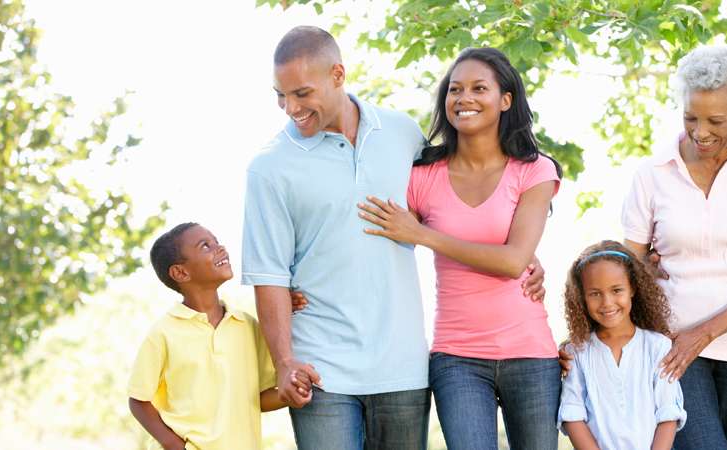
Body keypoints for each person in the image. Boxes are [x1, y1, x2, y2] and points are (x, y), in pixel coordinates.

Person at [242, 27, 546, 450]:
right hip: (321, 366)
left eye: (301, 93)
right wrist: (284, 360)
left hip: (402, 367)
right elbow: (268, 273)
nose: (290, 108)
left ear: (338, 74)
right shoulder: (270, 167)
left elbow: (451, 209)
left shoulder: (401, 133)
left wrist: (523, 255)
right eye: (281, 95)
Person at [357, 47, 562, 449]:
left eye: (478, 88)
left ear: (506, 100)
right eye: (455, 89)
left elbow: (513, 260)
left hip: (531, 353)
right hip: (457, 357)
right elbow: (372, 235)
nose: (463, 98)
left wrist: (425, 235)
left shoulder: (534, 169)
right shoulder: (422, 175)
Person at [619, 44, 727, 449]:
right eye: (690, 117)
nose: (700, 132)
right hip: (672, 351)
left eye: (716, 120)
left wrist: (704, 333)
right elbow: (627, 266)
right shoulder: (652, 173)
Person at [129, 223, 290, 450]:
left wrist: (290, 395)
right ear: (181, 272)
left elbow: (259, 397)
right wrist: (172, 444)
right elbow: (138, 400)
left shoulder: (246, 325)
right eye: (206, 246)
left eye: (216, 241)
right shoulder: (163, 332)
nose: (220, 248)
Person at [558, 241, 686, 450]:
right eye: (595, 293)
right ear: (582, 296)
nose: (607, 302)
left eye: (616, 290)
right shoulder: (577, 352)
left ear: (633, 288)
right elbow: (573, 414)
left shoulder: (657, 347)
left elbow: (668, 414)